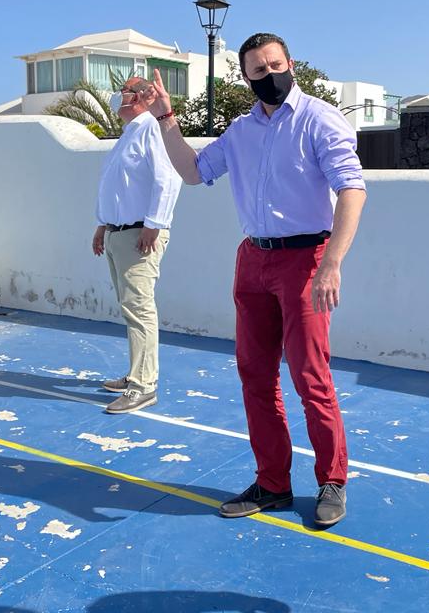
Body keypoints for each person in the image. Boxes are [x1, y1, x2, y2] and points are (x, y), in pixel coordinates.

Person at [146, 33, 366, 528]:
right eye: (258, 70)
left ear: (291, 63)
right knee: (255, 377)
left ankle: (332, 480)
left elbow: (351, 190)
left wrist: (331, 262)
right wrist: (165, 118)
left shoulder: (319, 119)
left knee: (311, 375)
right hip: (252, 261)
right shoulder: (241, 131)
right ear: (245, 77)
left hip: (305, 259)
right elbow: (194, 172)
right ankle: (273, 483)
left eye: (275, 64)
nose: (269, 75)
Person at [93, 76, 182, 414]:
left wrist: (154, 224)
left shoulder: (151, 129)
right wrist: (102, 226)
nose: (118, 97)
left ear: (142, 97)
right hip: (120, 233)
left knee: (139, 309)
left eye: (125, 92)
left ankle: (144, 386)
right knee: (130, 307)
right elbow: (115, 187)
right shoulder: (129, 134)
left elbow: (168, 178)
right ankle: (136, 376)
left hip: (139, 234)